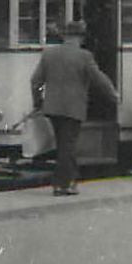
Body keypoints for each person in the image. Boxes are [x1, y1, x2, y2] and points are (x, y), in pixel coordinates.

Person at [29, 20, 119, 196]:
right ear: (81, 37)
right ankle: (63, 184)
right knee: (67, 145)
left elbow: (36, 81)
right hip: (73, 107)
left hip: (53, 107)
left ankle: (66, 181)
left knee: (62, 143)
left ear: (64, 36)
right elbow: (98, 78)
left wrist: (38, 101)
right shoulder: (84, 56)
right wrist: (113, 94)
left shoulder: (49, 54)